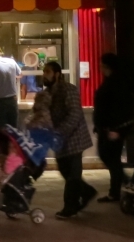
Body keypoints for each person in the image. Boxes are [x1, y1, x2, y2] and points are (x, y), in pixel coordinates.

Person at [44, 60, 96, 219]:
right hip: (60, 140)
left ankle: (70, 207)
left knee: (73, 175)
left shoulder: (68, 90)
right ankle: (87, 192)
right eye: (44, 72)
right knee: (65, 171)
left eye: (47, 72)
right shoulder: (48, 93)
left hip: (74, 138)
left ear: (57, 74)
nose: (44, 75)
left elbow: (74, 114)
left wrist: (59, 132)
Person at [92, 53, 134, 203]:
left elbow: (118, 108)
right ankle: (124, 184)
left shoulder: (117, 83)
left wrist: (116, 129)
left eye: (102, 64)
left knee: (111, 158)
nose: (100, 67)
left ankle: (117, 190)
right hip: (106, 127)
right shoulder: (111, 81)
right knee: (108, 157)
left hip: (113, 128)